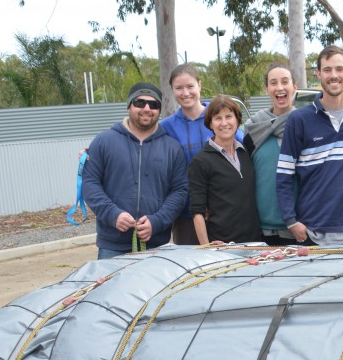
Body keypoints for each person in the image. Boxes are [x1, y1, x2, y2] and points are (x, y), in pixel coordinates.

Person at [277, 46, 343, 246]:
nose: (334, 75)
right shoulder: (299, 119)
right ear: (318, 74)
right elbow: (284, 175)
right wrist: (291, 221)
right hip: (310, 230)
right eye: (327, 70)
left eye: (340, 69)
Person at [83, 81, 187, 259]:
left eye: (154, 105)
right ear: (129, 106)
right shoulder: (103, 142)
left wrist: (157, 221)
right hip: (112, 246)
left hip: (157, 245)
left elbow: (180, 190)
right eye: (140, 103)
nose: (147, 108)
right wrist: (112, 214)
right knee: (112, 288)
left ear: (159, 111)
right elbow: (90, 184)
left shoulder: (172, 148)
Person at [187, 96, 262, 244]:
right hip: (222, 245)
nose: (224, 123)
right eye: (217, 118)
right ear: (210, 123)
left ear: (237, 120)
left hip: (255, 241)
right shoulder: (201, 161)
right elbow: (198, 212)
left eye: (229, 116)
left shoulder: (246, 151)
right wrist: (207, 247)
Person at [243, 63, 297, 246]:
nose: (279, 87)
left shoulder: (306, 126)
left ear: (294, 87)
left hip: (299, 227)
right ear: (267, 89)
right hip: (260, 228)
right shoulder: (253, 129)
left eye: (285, 82)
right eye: (273, 83)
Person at [160, 64, 210, 245]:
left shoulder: (219, 116)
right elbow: (138, 142)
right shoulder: (166, 127)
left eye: (190, 86)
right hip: (185, 214)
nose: (185, 93)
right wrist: (92, 151)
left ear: (199, 85)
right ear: (172, 90)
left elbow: (244, 150)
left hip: (221, 209)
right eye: (179, 88)